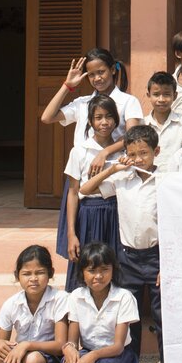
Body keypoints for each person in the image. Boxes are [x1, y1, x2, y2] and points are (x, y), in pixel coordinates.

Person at [80, 124, 162, 363]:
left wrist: (166, 261)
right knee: (130, 319)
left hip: (157, 257)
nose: (138, 159)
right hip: (128, 258)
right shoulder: (122, 179)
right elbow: (85, 190)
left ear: (156, 151)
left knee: (161, 317)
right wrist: (112, 168)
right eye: (133, 154)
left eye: (144, 153)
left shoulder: (165, 180)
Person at [63, 242, 140, 363]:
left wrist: (93, 356)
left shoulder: (124, 297)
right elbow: (72, 339)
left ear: (113, 270)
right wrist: (70, 349)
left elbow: (118, 346)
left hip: (117, 357)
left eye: (104, 269)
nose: (98, 276)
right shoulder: (75, 296)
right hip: (88, 351)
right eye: (91, 270)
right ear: (82, 272)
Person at [58, 95, 122, 291]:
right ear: (91, 121)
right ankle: (79, 317)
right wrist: (71, 233)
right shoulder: (79, 151)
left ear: (116, 119)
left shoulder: (123, 151)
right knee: (86, 263)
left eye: (109, 116)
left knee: (113, 263)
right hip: (88, 213)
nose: (104, 122)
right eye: (98, 117)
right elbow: (73, 192)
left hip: (116, 213)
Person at [41, 47, 143, 150]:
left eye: (101, 72)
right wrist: (67, 86)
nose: (97, 78)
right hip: (83, 164)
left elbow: (132, 136)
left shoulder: (129, 101)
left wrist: (104, 153)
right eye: (91, 75)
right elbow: (47, 117)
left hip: (114, 162)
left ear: (112, 70)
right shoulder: (82, 103)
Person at [142, 71, 182, 168]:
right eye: (156, 94)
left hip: (176, 178)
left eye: (166, 94)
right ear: (148, 95)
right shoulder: (142, 124)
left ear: (175, 96)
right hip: (150, 179)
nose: (161, 99)